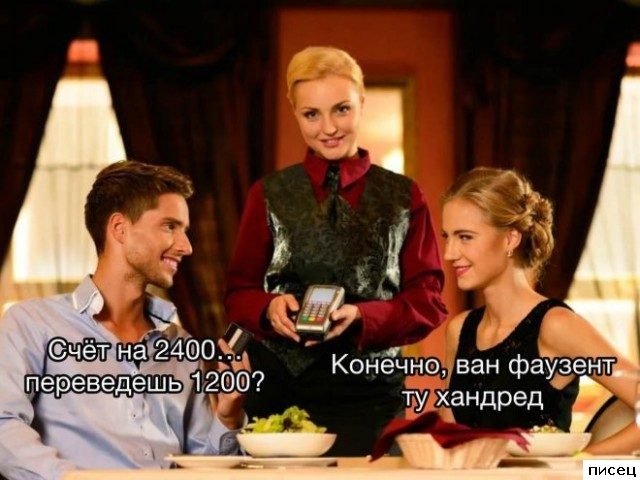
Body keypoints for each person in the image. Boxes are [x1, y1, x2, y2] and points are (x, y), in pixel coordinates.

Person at [224, 46, 448, 456]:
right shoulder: (266, 193)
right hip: (278, 391)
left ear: (362, 102)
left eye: (341, 109)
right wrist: (268, 308)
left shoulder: (405, 196)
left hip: (371, 399)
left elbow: (428, 302)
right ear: (295, 113)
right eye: (311, 114)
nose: (328, 128)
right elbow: (238, 292)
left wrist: (363, 316)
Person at [0, 161, 249, 479]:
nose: (186, 247)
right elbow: (4, 425)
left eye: (184, 231)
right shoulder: (31, 325)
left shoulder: (182, 346)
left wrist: (227, 417)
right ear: (119, 229)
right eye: (170, 227)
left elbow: (203, 468)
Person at [440, 166, 640, 454]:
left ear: (510, 239)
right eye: (447, 237)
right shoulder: (459, 331)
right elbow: (451, 442)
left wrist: (579, 462)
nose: (449, 253)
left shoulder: (555, 325)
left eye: (465, 237)